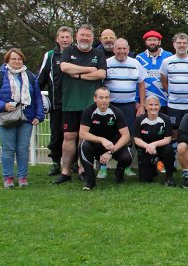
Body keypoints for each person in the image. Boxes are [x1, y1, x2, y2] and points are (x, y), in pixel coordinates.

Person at [54, 24, 107, 185]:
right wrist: (89, 69)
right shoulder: (68, 51)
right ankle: (65, 171)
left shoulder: (98, 53)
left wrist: (77, 75)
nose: (85, 38)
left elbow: (101, 74)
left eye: (88, 35)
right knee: (69, 136)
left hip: (90, 105)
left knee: (84, 138)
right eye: (82, 35)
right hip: (70, 103)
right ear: (76, 36)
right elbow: (64, 67)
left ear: (93, 38)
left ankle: (83, 169)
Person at [0, 48, 44, 188]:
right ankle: (8, 178)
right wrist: (2, 105)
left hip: (26, 116)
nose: (17, 61)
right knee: (8, 148)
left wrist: (39, 115)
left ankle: (23, 177)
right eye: (13, 59)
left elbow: (37, 97)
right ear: (7, 60)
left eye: (19, 59)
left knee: (23, 148)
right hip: (6, 117)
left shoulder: (30, 76)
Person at [77, 87, 132, 190]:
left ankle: (119, 174)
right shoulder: (89, 111)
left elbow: (126, 135)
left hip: (113, 145)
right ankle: (90, 181)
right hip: (96, 144)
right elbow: (83, 134)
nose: (104, 100)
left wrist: (111, 151)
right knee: (83, 146)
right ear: (95, 98)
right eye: (101, 97)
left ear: (109, 99)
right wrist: (102, 139)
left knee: (127, 157)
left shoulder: (116, 112)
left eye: (106, 97)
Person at [38, 26, 73, 176]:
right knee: (56, 135)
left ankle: (73, 164)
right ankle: (55, 163)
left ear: (72, 39)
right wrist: (36, 96)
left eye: (67, 37)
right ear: (57, 39)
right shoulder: (50, 55)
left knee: (72, 135)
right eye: (62, 37)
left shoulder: (76, 53)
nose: (65, 40)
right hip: (56, 103)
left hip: (73, 103)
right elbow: (41, 78)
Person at [160, 32, 188, 133]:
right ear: (174, 44)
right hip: (173, 105)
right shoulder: (166, 61)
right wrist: (173, 93)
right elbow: (164, 81)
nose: (182, 45)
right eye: (179, 42)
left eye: (184, 43)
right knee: (174, 132)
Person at [104, 38, 147, 135]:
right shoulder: (106, 63)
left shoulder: (135, 63)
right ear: (114, 50)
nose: (122, 51)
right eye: (119, 48)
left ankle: (128, 150)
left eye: (124, 48)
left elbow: (141, 85)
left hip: (129, 106)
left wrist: (141, 105)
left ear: (128, 49)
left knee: (129, 132)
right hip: (110, 105)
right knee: (110, 132)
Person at [134, 96, 175, 186]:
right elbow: (137, 139)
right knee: (145, 180)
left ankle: (169, 177)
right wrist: (148, 146)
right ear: (145, 106)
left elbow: (167, 139)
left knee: (169, 149)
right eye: (151, 105)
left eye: (156, 105)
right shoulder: (140, 120)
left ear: (159, 106)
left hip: (161, 147)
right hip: (146, 148)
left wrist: (153, 145)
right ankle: (154, 165)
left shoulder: (165, 119)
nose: (153, 107)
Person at [136, 30, 173, 114]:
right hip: (145, 103)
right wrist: (137, 101)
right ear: (145, 42)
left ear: (159, 42)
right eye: (149, 40)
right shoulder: (139, 58)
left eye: (155, 40)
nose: (152, 42)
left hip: (166, 102)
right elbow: (136, 82)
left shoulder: (169, 57)